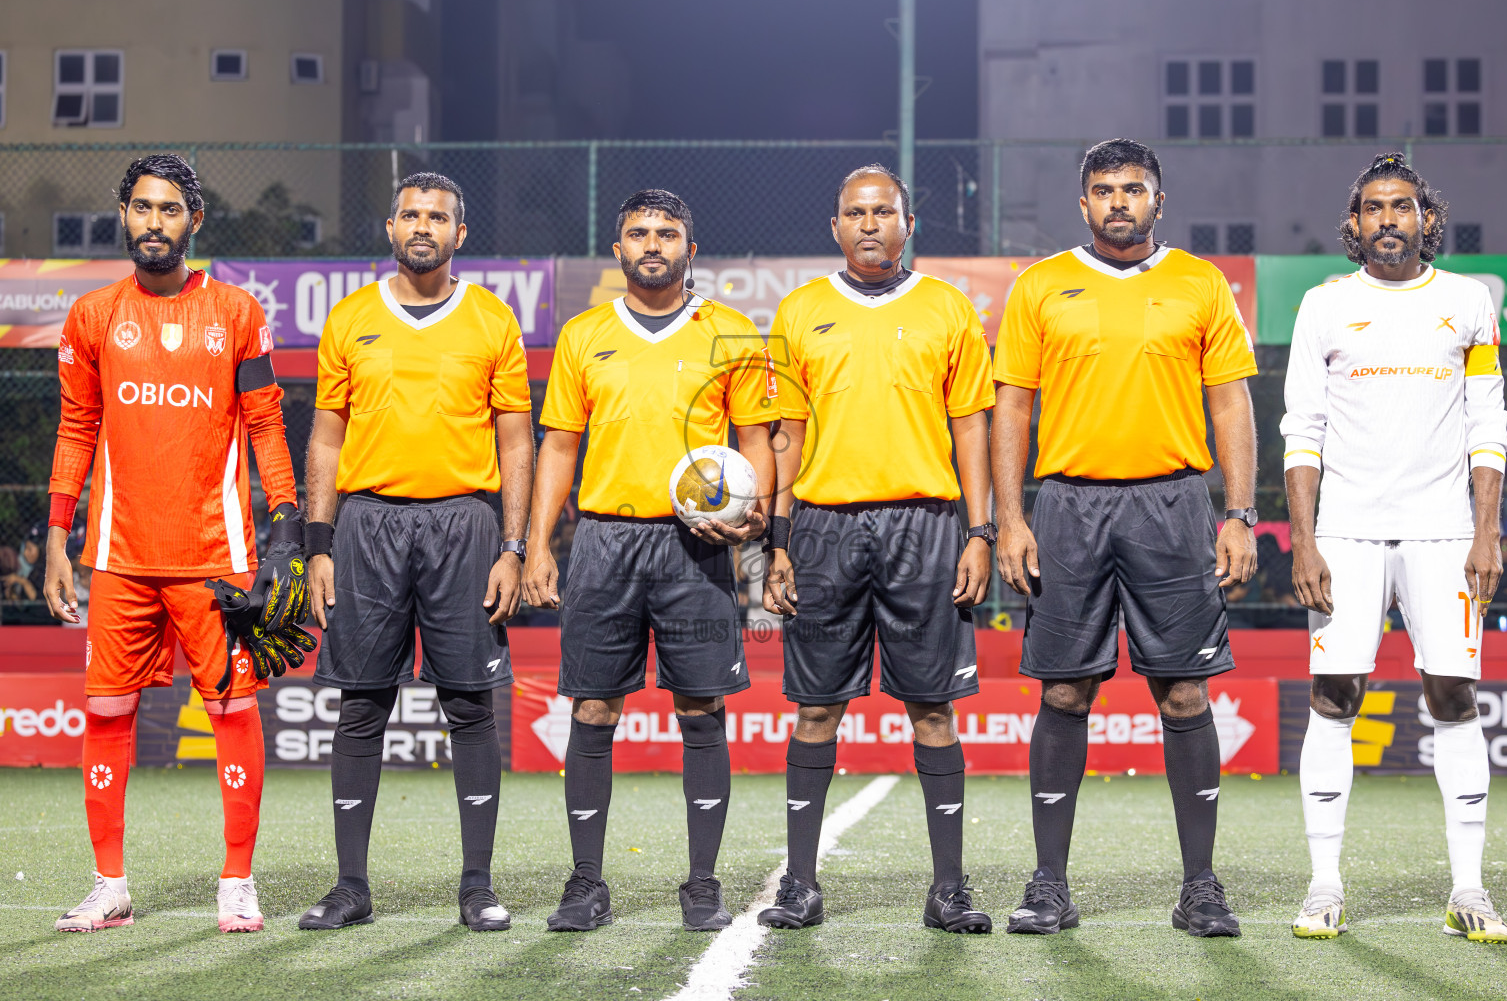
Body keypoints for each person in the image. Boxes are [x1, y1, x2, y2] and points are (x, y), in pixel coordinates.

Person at [992, 138, 1258, 938]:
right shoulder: (1039, 286)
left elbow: (1232, 405)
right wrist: (1010, 517)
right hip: (1070, 508)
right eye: (1104, 190)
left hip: (1174, 507)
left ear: (1158, 200)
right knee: (1065, 690)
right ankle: (1049, 886)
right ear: (1083, 204)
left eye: (1133, 188)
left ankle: (1201, 887)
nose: (1118, 201)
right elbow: (1011, 407)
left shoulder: (1201, 282)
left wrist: (1239, 513)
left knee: (1185, 692)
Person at [44, 154, 302, 933]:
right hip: (118, 558)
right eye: (142, 207)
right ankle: (110, 884)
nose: (154, 222)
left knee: (233, 713)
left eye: (170, 210)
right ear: (123, 213)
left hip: (213, 561)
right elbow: (75, 429)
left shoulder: (237, 310)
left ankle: (236, 881)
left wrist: (285, 526)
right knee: (105, 713)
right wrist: (57, 537)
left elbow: (264, 422)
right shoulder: (92, 316)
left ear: (195, 221)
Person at [525, 189, 776, 932]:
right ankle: (585, 884)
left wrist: (756, 508)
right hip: (603, 543)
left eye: (668, 232)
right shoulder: (584, 335)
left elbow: (757, 436)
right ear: (619, 249)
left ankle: (702, 883)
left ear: (691, 249)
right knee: (594, 709)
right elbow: (560, 447)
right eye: (639, 233)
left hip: (696, 547)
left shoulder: (731, 332)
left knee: (701, 707)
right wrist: (539, 542)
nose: (654, 243)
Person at [758, 164, 996, 934]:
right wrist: (778, 542)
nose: (869, 223)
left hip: (926, 527)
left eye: (883, 211)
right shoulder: (798, 311)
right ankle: (799, 884)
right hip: (824, 529)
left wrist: (979, 531)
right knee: (816, 708)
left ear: (908, 223)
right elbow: (784, 436)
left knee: (933, 710)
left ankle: (949, 889)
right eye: (855, 213)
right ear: (835, 227)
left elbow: (972, 431)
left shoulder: (948, 308)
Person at [1283, 153, 1507, 943]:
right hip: (1344, 533)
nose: (1388, 219)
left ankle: (1471, 890)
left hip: (1445, 532)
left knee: (1454, 697)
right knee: (1334, 697)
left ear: (1427, 219)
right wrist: (1304, 543)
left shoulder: (1469, 302)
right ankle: (1323, 886)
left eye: (1403, 206)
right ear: (1354, 225)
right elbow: (1301, 432)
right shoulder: (1323, 306)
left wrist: (1486, 533)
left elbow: (1488, 426)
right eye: (1374, 208)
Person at [299, 172, 534, 932]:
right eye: (409, 214)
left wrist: (514, 546)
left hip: (465, 525)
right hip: (366, 525)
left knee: (470, 703)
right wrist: (318, 546)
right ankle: (350, 887)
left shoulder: (493, 319)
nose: (422, 225)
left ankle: (477, 886)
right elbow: (326, 437)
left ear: (460, 234)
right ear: (390, 228)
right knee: (362, 703)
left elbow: (516, 441)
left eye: (437, 216)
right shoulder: (350, 318)